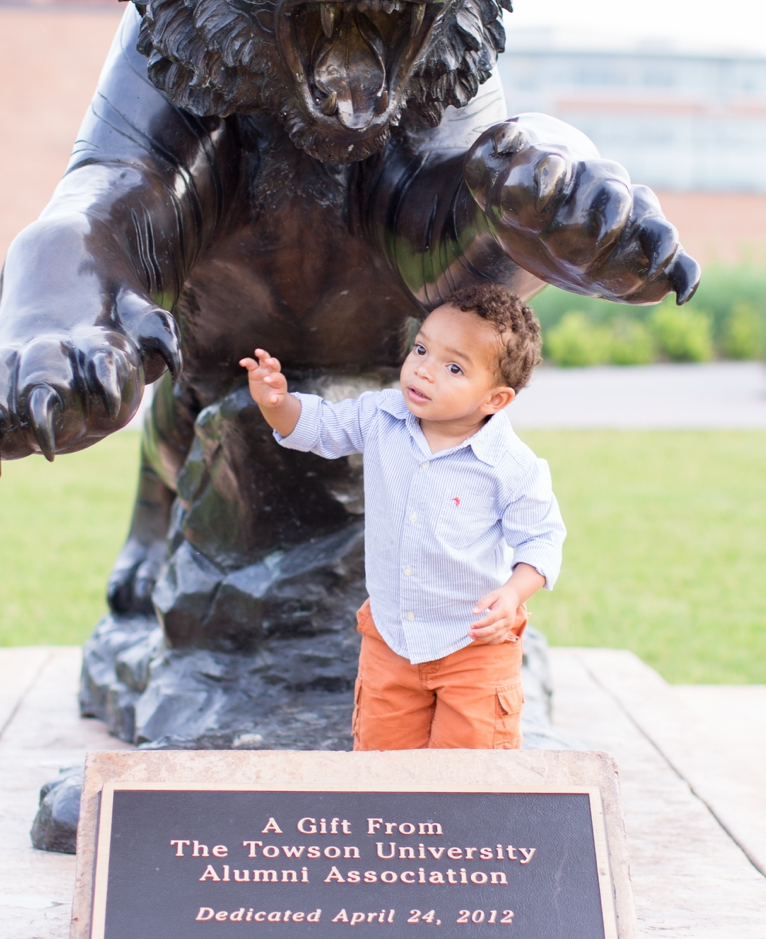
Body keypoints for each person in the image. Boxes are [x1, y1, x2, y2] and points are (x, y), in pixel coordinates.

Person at [238, 282, 563, 750]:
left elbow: (542, 540)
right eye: (421, 349)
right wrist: (277, 404)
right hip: (391, 639)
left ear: (495, 399)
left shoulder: (511, 466)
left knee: (472, 777)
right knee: (383, 771)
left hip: (472, 647)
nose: (424, 371)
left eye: (453, 367)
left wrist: (514, 593)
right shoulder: (382, 417)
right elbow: (322, 428)